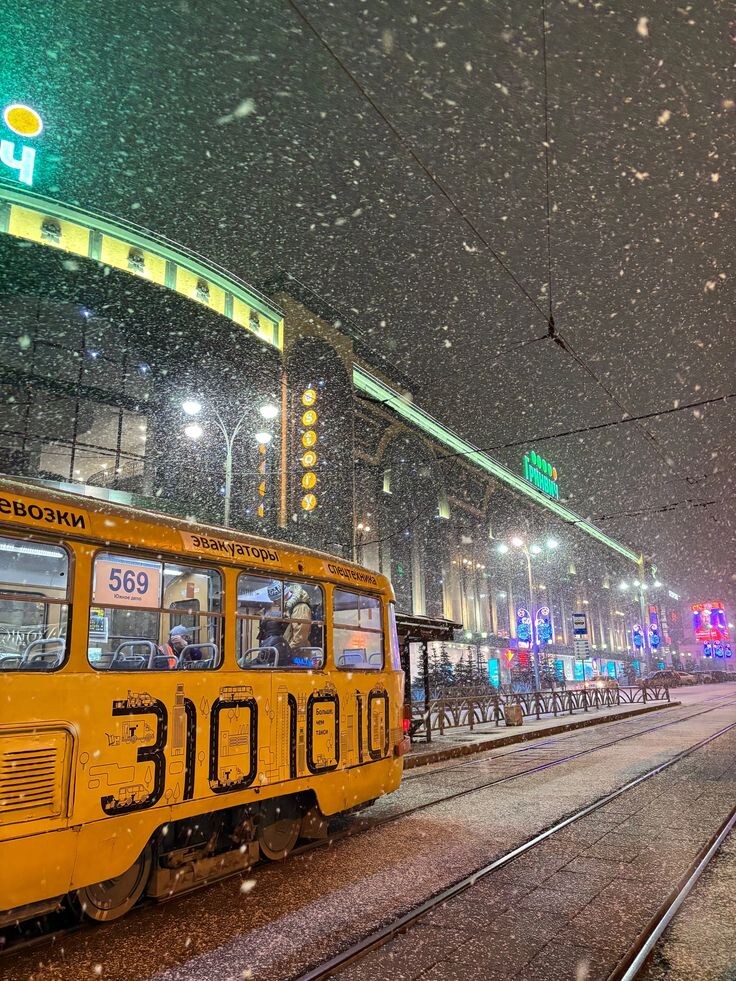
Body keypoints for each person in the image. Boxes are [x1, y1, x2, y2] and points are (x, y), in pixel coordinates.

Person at [256, 582, 292, 665]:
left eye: (275, 601)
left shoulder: (270, 644)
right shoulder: (282, 644)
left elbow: (261, 662)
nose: (275, 603)